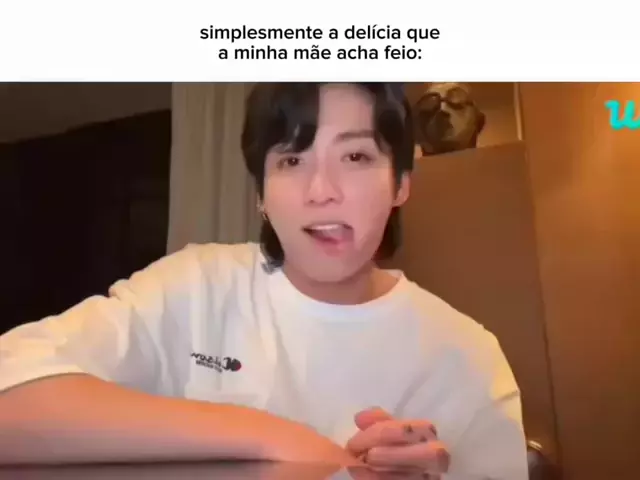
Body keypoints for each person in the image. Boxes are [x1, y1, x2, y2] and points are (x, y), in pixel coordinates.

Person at [0, 83, 528, 478]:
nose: (321, 189)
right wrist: (278, 440)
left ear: (401, 185)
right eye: (292, 159)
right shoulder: (198, 284)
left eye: (355, 156)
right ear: (261, 195)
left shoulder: (467, 357)